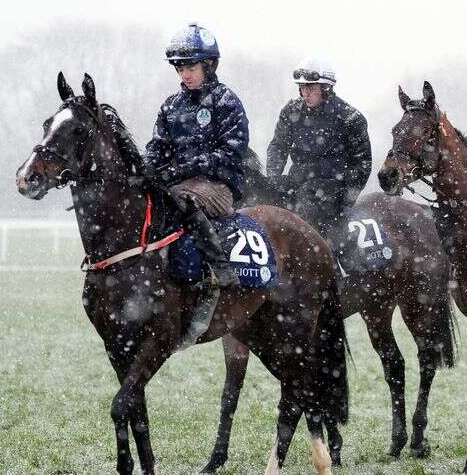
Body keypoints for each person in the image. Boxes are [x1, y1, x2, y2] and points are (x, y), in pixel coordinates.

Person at [143, 22, 250, 347]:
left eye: (190, 66)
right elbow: (157, 146)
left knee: (182, 197)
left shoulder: (226, 101)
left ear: (209, 65)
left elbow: (231, 153)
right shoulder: (170, 106)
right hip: (178, 186)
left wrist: (182, 168)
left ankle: (219, 267)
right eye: (179, 67)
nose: (184, 74)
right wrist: (144, 167)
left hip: (217, 189)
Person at [266, 58, 371, 252]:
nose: (305, 93)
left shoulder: (350, 118)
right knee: (263, 198)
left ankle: (330, 263)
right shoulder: (290, 112)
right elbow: (278, 146)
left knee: (306, 205)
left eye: (310, 87)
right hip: (297, 181)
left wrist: (346, 198)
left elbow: (363, 164)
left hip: (333, 188)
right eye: (302, 87)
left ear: (326, 87)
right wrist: (273, 179)